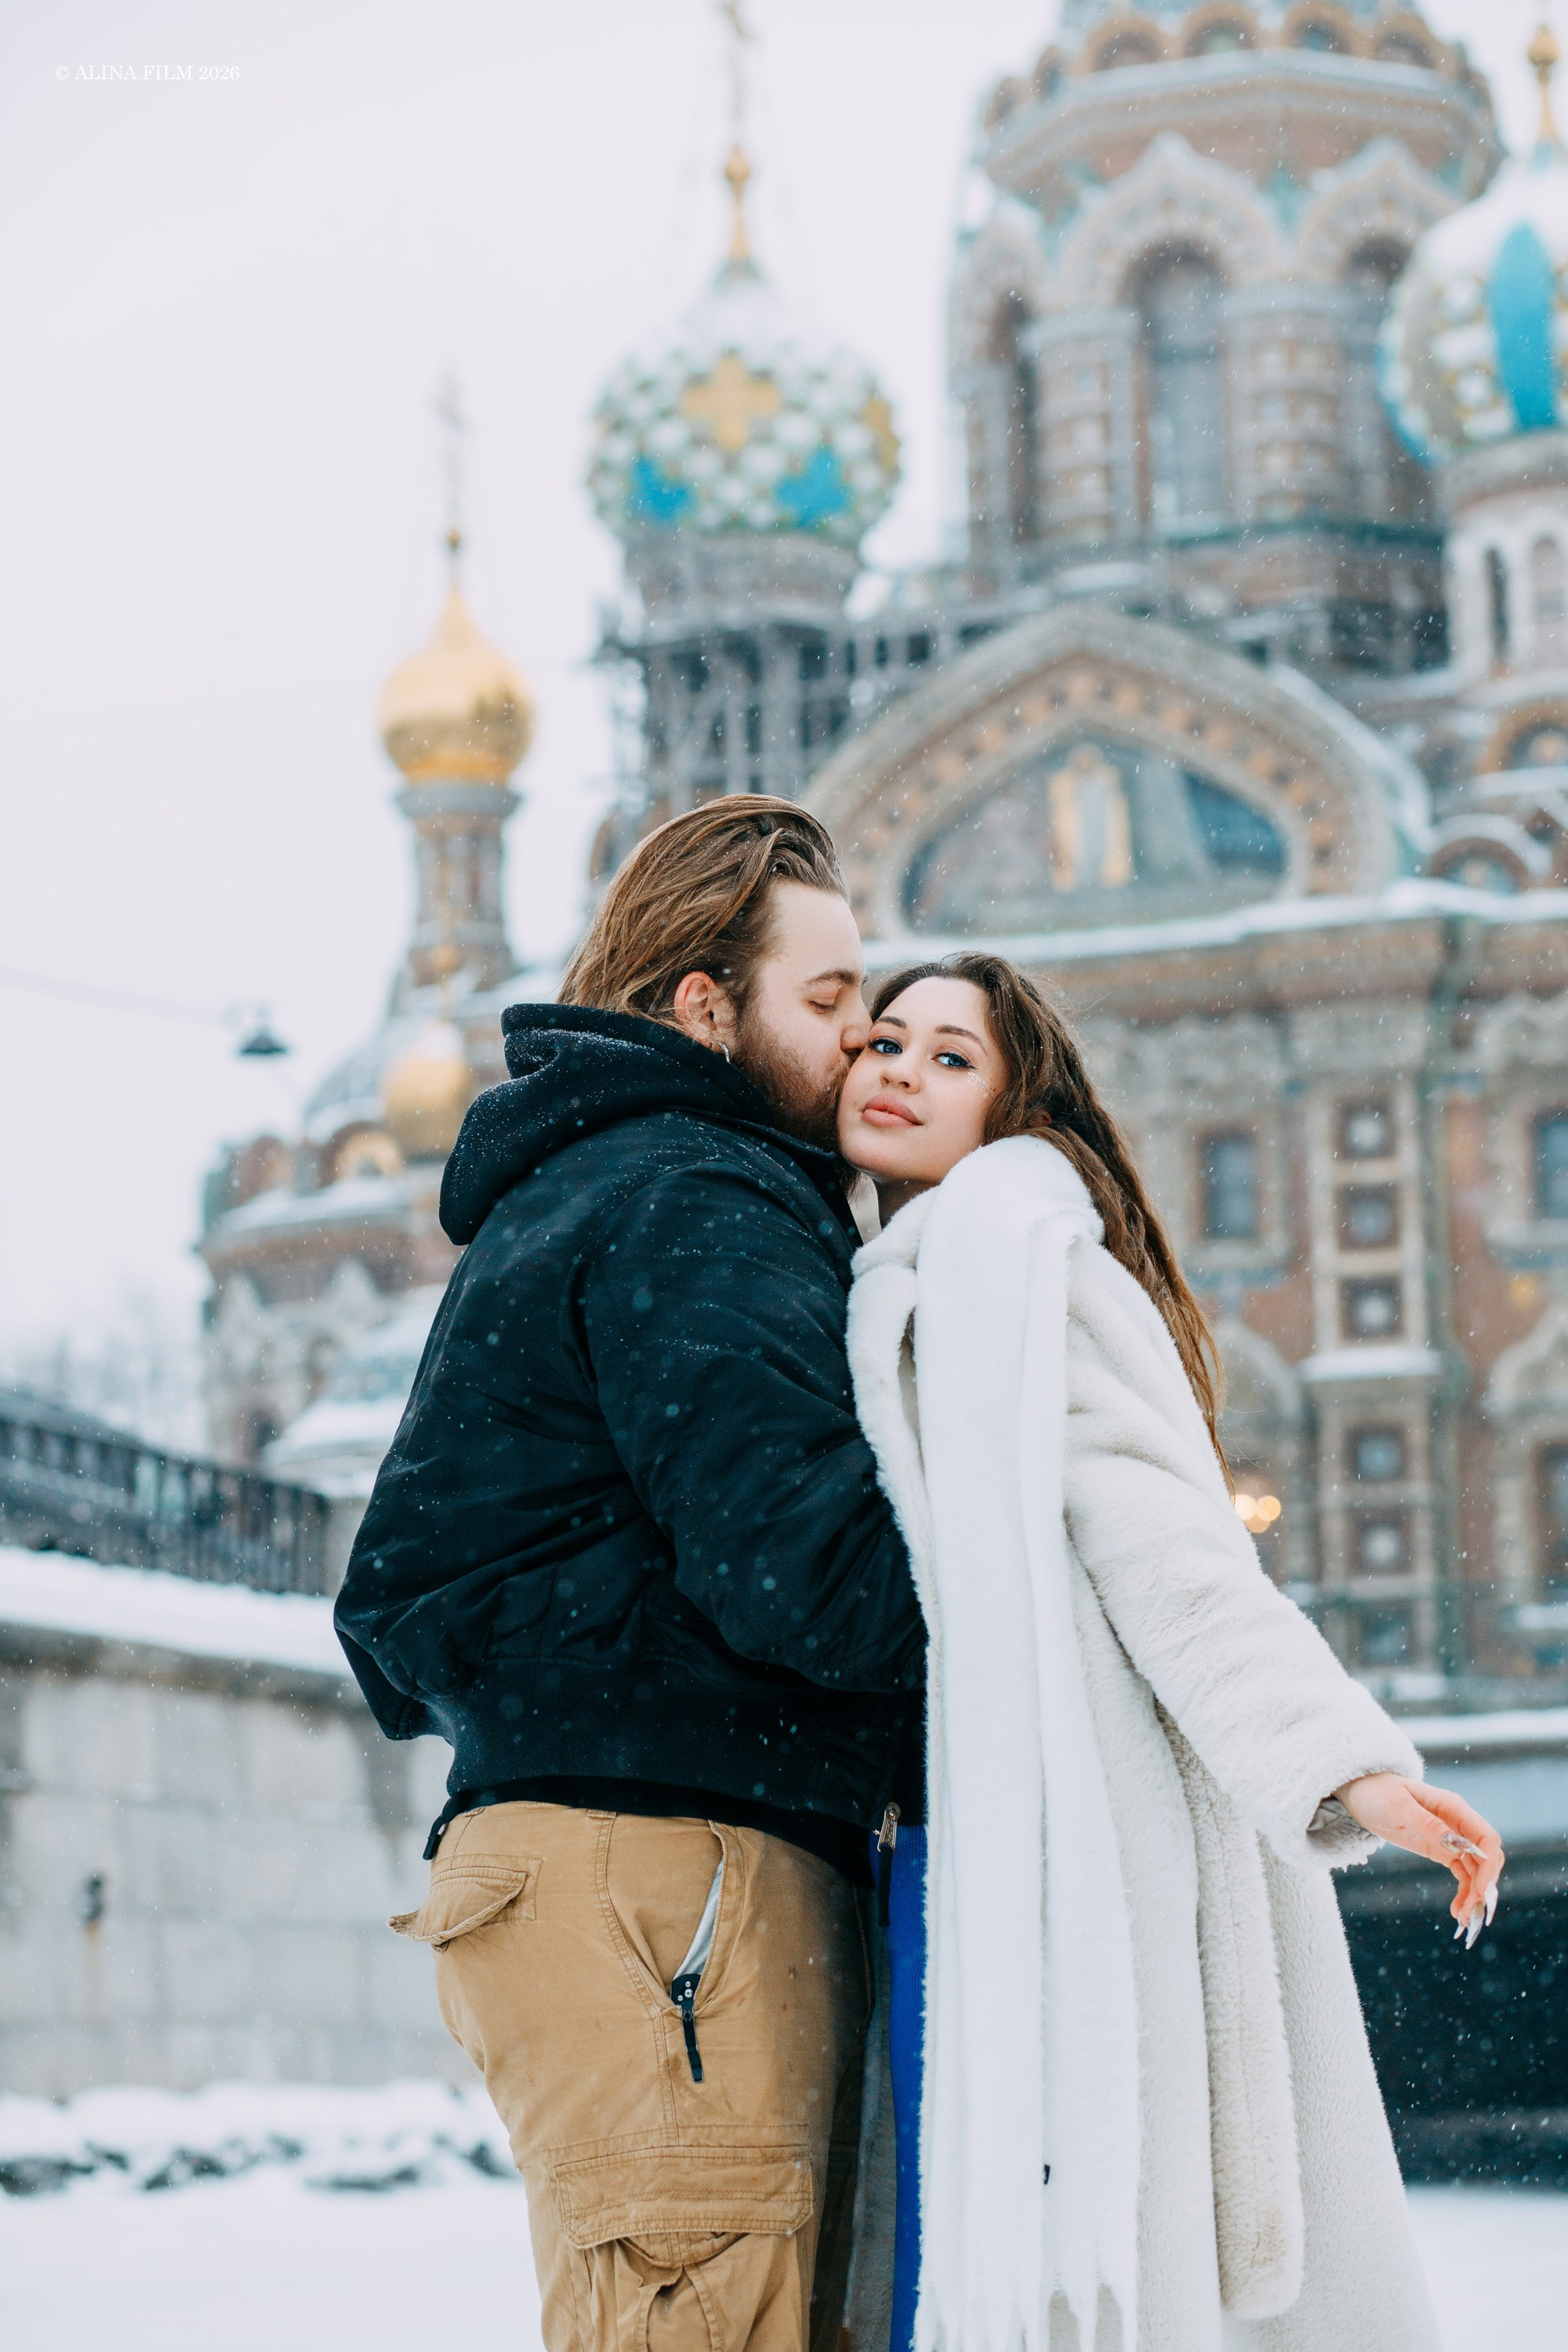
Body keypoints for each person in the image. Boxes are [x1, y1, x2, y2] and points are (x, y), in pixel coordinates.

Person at [835, 952, 1504, 2352]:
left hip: (1069, 1857)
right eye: (885, 1040)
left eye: (952, 1058)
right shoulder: (904, 1267)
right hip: (955, 1841)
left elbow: (1173, 1557)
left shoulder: (1020, 1276)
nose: (901, 1071)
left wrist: (1344, 1768)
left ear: (1013, 1109)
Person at [333, 800, 924, 2352]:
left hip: (638, 1858)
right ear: (704, 1008)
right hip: (670, 1877)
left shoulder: (616, 1181)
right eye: (827, 998)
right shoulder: (694, 1194)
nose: (865, 1037)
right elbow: (802, 1569)